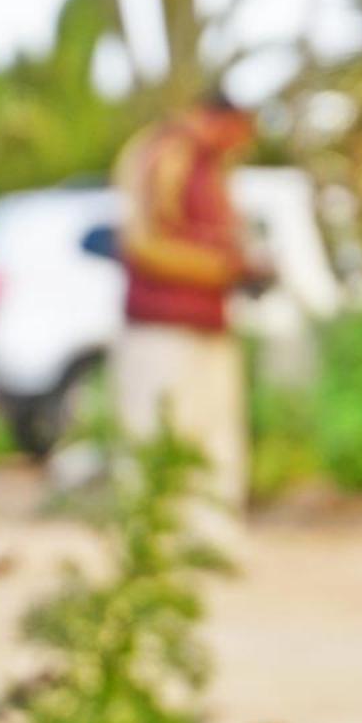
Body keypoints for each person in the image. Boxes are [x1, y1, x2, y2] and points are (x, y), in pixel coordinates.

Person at [111, 92, 266, 516]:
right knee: (159, 436)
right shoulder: (166, 152)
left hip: (209, 326)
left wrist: (241, 267)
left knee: (212, 441)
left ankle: (206, 544)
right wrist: (221, 268)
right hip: (162, 330)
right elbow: (143, 242)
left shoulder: (213, 168)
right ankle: (156, 547)